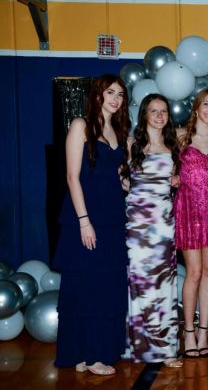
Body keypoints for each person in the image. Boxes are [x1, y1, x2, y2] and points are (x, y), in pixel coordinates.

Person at [54, 74, 130, 375]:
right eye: (110, 92)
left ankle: (92, 351)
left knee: (107, 285)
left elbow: (118, 177)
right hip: (86, 216)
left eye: (120, 95)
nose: (116, 99)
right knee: (86, 285)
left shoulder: (118, 131)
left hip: (113, 218)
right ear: (97, 94)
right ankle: (89, 354)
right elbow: (72, 177)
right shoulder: (80, 125)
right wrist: (84, 221)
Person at [123, 94, 182, 368]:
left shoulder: (173, 145)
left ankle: (165, 348)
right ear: (144, 114)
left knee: (163, 285)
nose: (159, 116)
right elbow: (121, 179)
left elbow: (178, 179)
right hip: (137, 225)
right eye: (154, 111)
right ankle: (140, 347)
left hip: (163, 225)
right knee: (139, 284)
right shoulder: (131, 144)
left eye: (164, 111)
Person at [174, 88, 208, 357]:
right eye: (206, 104)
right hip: (188, 208)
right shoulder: (180, 136)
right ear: (196, 107)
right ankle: (188, 331)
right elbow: (159, 163)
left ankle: (204, 331)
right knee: (193, 272)